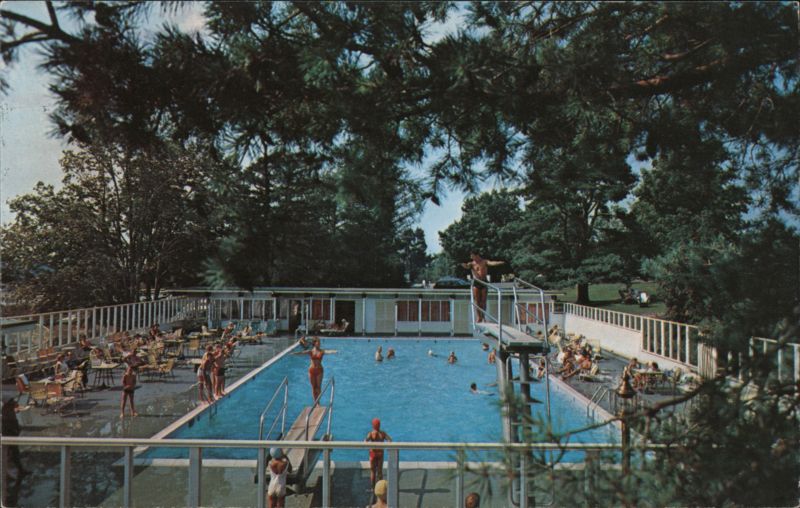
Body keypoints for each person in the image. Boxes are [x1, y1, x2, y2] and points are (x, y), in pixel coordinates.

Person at [461, 252, 505, 322]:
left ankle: (483, 316)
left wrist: (499, 262)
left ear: (477, 255)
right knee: (477, 301)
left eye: (472, 256)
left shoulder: (484, 262)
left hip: (484, 281)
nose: (471, 258)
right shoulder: (472, 264)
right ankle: (479, 317)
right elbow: (467, 266)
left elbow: (492, 263)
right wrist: (463, 265)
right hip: (476, 282)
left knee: (483, 301)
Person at [292, 337, 337, 401]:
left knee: (318, 387)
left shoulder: (322, 351)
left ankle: (318, 402)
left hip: (319, 370)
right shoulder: (311, 351)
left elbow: (328, 351)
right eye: (318, 343)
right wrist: (295, 353)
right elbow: (302, 353)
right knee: (313, 387)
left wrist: (334, 351)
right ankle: (315, 402)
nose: (319, 344)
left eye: (319, 343)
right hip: (311, 370)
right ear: (315, 343)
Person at [1, 398, 29, 478]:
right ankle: (8, 473)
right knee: (11, 451)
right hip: (9, 430)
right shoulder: (6, 411)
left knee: (14, 451)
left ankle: (20, 470)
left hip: (11, 429)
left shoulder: (8, 409)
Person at [365, 418, 391, 487]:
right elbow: (390, 440)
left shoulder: (371, 433)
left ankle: (372, 488)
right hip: (380, 453)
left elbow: (365, 441)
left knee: (373, 471)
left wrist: (370, 446)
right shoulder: (382, 434)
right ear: (379, 425)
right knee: (379, 471)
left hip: (372, 453)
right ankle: (380, 488)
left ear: (373, 425)